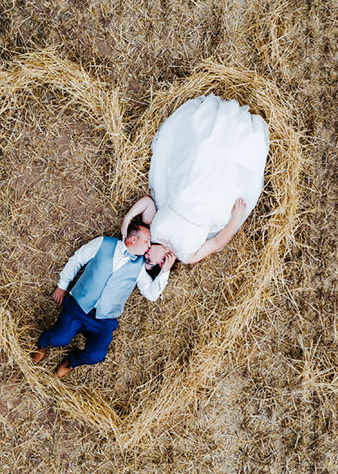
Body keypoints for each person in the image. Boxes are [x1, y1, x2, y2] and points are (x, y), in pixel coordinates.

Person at [121, 94, 269, 264]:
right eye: (148, 260)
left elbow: (147, 202)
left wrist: (127, 219)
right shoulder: (188, 256)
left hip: (186, 186)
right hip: (210, 202)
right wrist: (235, 219)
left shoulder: (153, 233)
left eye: (143, 255)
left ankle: (219, 122)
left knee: (203, 147)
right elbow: (216, 242)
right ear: (161, 264)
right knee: (228, 159)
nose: (146, 254)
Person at [32, 221, 175, 378]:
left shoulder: (140, 266)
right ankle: (43, 345)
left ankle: (71, 362)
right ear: (133, 239)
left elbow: (151, 294)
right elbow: (77, 259)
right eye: (147, 240)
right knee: (58, 338)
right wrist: (62, 285)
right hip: (79, 306)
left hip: (104, 319)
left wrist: (164, 272)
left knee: (97, 355)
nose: (149, 245)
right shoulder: (103, 243)